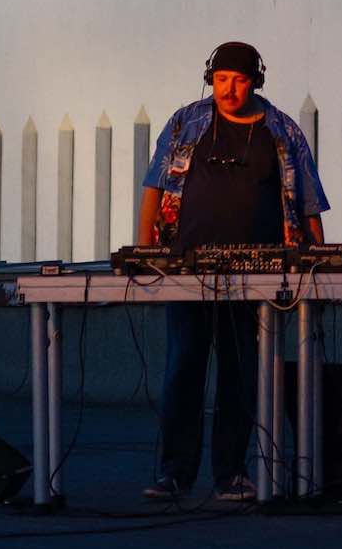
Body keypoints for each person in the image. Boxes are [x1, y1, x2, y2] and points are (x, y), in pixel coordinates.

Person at [136, 41, 328, 501]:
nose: (230, 89)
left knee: (241, 372)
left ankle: (231, 475)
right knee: (184, 366)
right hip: (187, 267)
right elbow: (154, 186)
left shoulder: (282, 130)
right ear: (211, 79)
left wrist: (319, 257)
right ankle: (174, 474)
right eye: (222, 79)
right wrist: (145, 251)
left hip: (257, 274)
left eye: (239, 80)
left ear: (255, 80)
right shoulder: (186, 122)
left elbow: (306, 201)